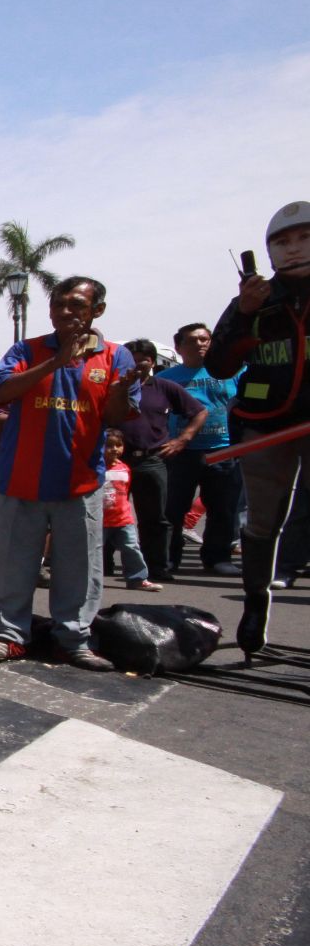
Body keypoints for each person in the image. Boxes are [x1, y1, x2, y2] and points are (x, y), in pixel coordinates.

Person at [0, 277, 138, 670]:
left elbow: (118, 416)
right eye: (59, 304)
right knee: (13, 564)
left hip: (80, 483)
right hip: (20, 478)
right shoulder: (25, 350)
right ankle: (8, 636)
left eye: (76, 305)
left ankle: (73, 640)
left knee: (80, 568)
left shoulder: (117, 357)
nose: (65, 311)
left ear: (97, 310)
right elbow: (1, 393)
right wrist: (56, 361)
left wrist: (120, 392)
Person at [206, 200, 310, 656]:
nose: (293, 249)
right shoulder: (255, 300)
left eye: (304, 238)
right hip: (266, 424)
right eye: (282, 242)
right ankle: (255, 606)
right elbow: (219, 364)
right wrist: (246, 314)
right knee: (262, 521)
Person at [159, 321, 244, 578]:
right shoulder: (164, 379)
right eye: (192, 341)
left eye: (205, 340)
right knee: (173, 509)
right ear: (179, 347)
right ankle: (169, 559)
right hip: (181, 452)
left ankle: (217, 558)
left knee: (223, 508)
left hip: (223, 449)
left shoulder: (235, 373)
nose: (200, 344)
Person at [117, 338, 206, 580]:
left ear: (152, 362)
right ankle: (103, 568)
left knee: (155, 518)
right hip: (115, 461)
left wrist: (183, 439)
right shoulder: (114, 387)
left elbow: (199, 412)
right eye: (131, 361)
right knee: (108, 516)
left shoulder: (164, 388)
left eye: (143, 360)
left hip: (152, 459)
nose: (137, 366)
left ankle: (156, 568)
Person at [101, 429, 161, 591]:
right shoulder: (96, 468)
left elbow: (125, 493)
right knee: (93, 551)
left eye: (118, 445)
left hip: (123, 519)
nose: (114, 449)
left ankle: (137, 578)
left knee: (131, 547)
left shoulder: (124, 468)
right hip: (99, 520)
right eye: (109, 446)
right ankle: (87, 579)